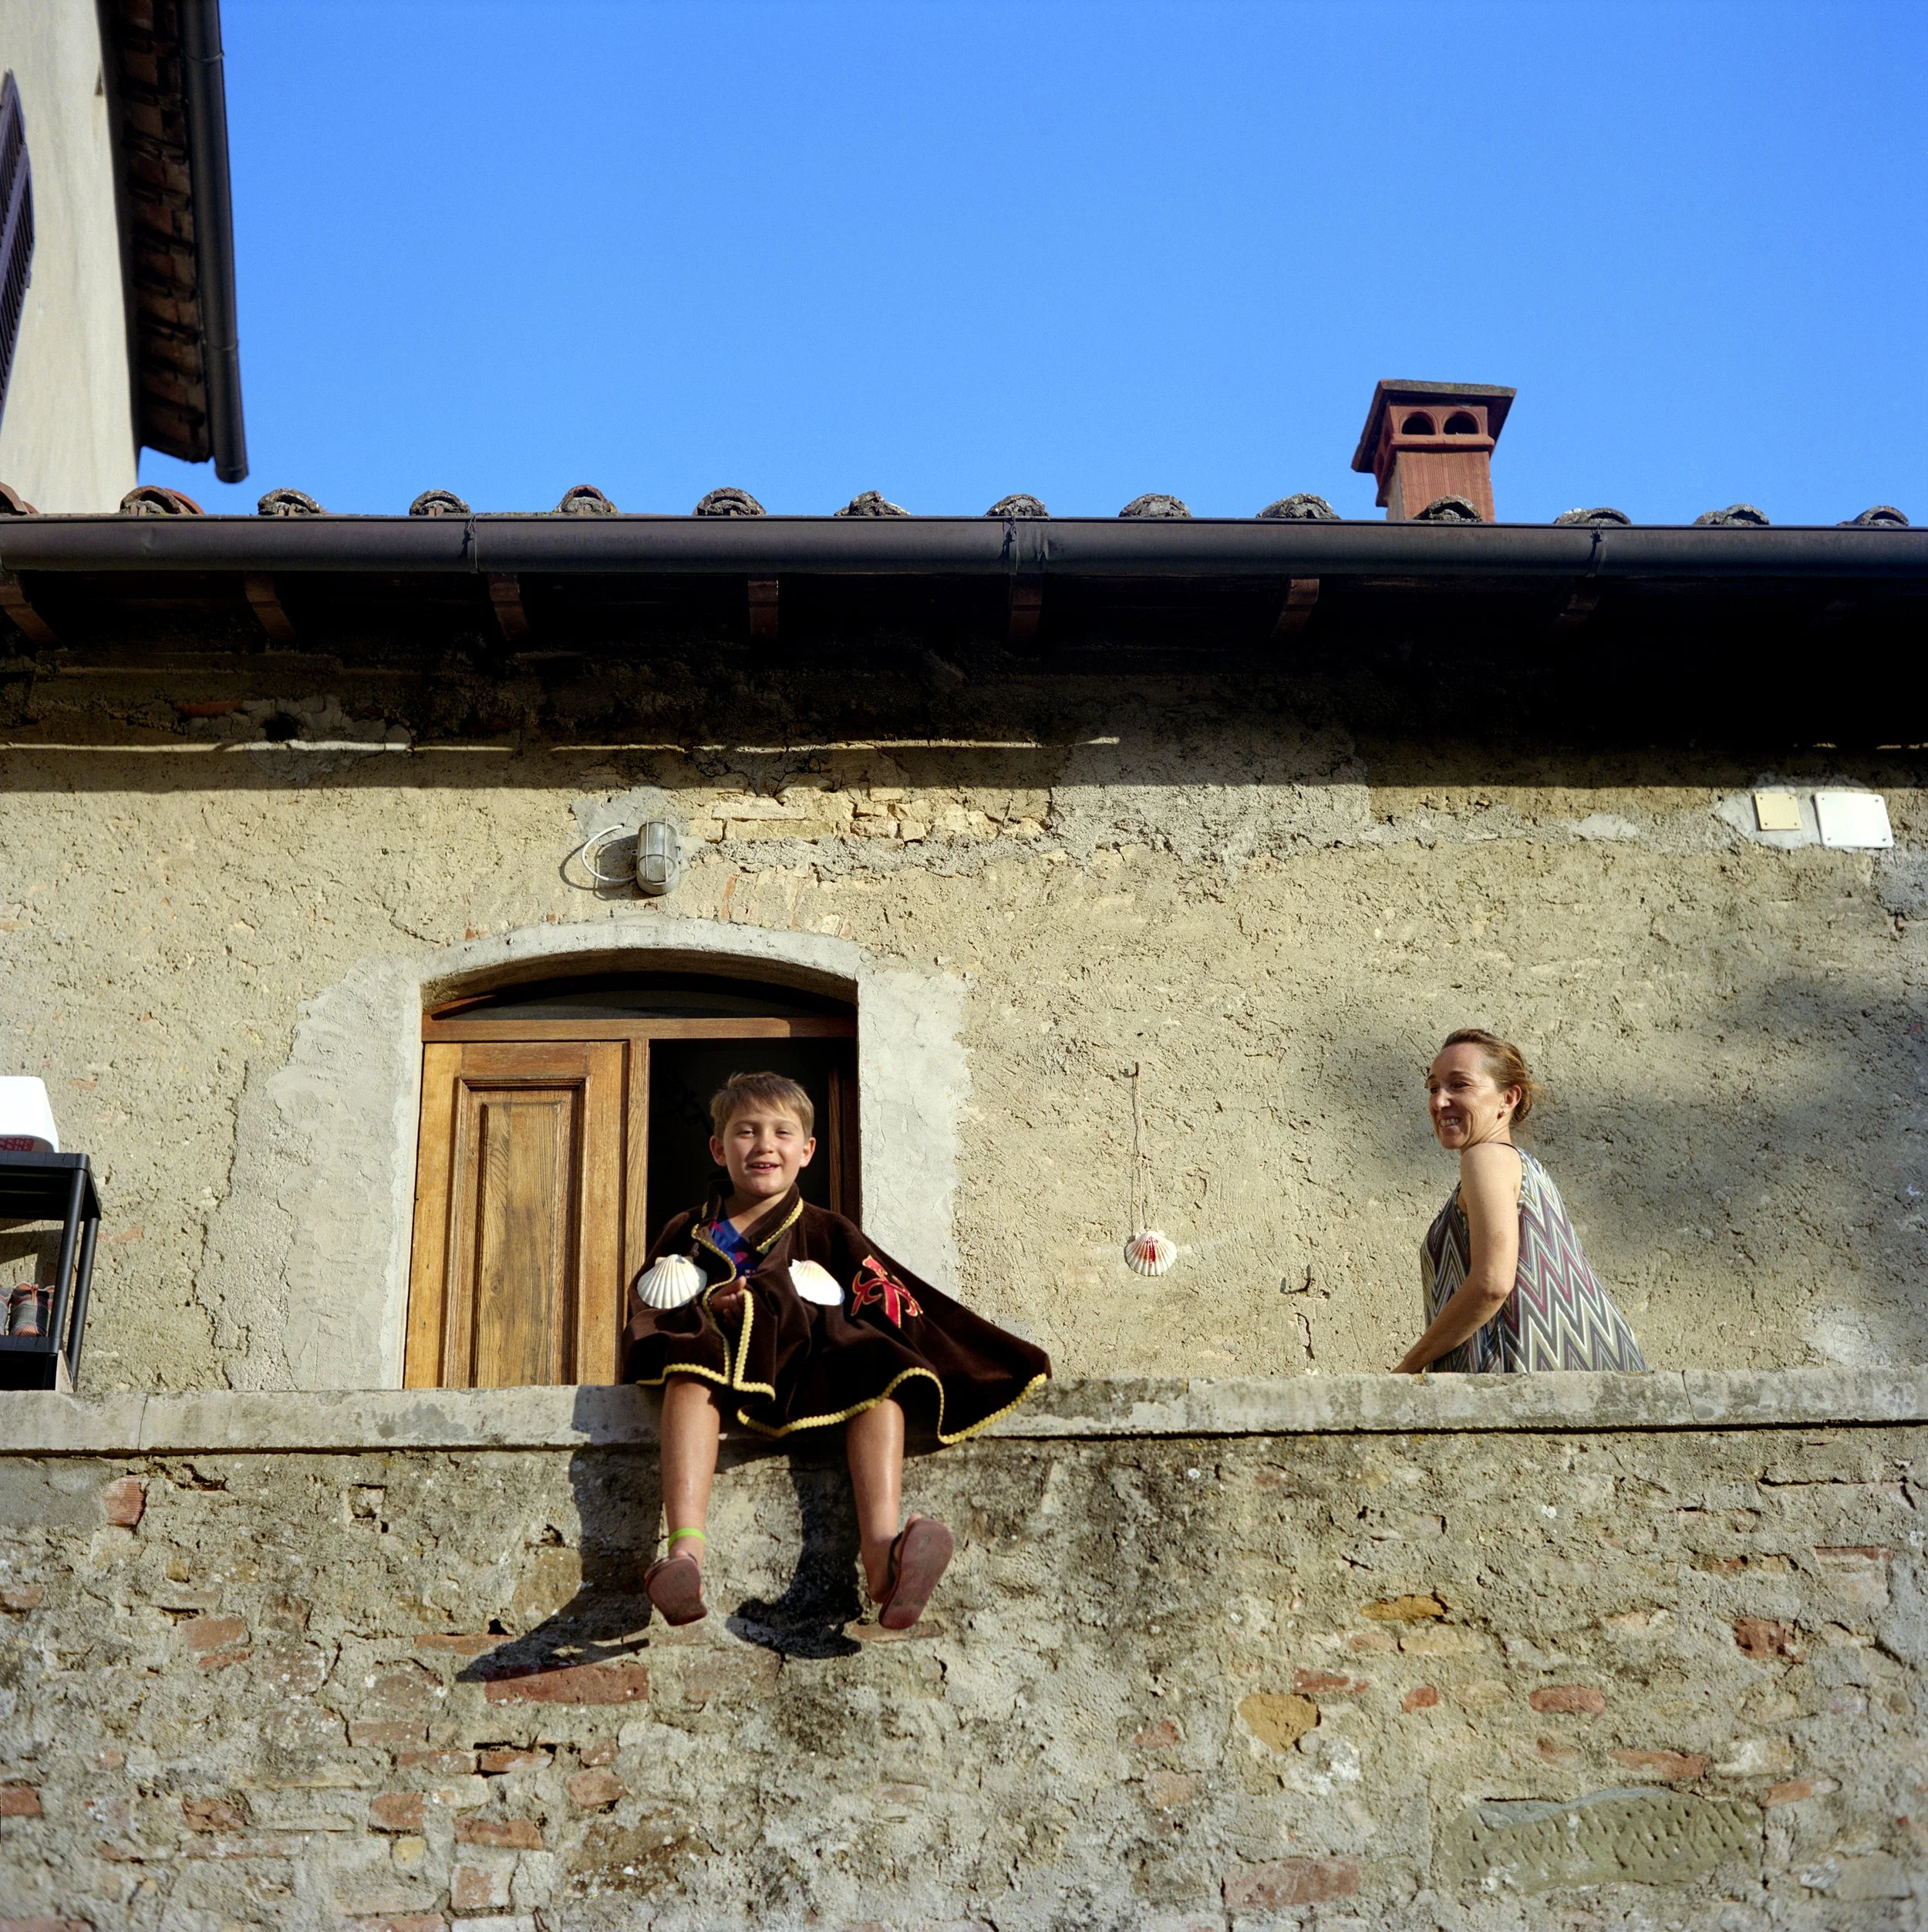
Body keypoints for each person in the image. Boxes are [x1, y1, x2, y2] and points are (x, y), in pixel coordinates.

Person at [625, 1071, 1050, 1630]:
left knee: (880, 1372)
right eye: (746, 1131)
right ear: (718, 1146)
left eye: (781, 1132)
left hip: (811, 1373)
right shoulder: (690, 1229)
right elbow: (651, 1308)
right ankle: (685, 1555)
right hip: (723, 1371)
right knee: (688, 1372)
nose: (764, 1144)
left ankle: (885, 1559)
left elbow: (886, 1300)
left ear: (807, 1151)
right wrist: (710, 1306)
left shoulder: (827, 1229)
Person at [1395, 1029, 1647, 1375]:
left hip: (1513, 1382)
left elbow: (1492, 1282)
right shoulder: (1526, 1167)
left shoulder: (1484, 1158)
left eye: (1459, 1085)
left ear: (1508, 1098)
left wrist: (1409, 1365)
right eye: (1433, 1087)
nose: (1439, 1101)